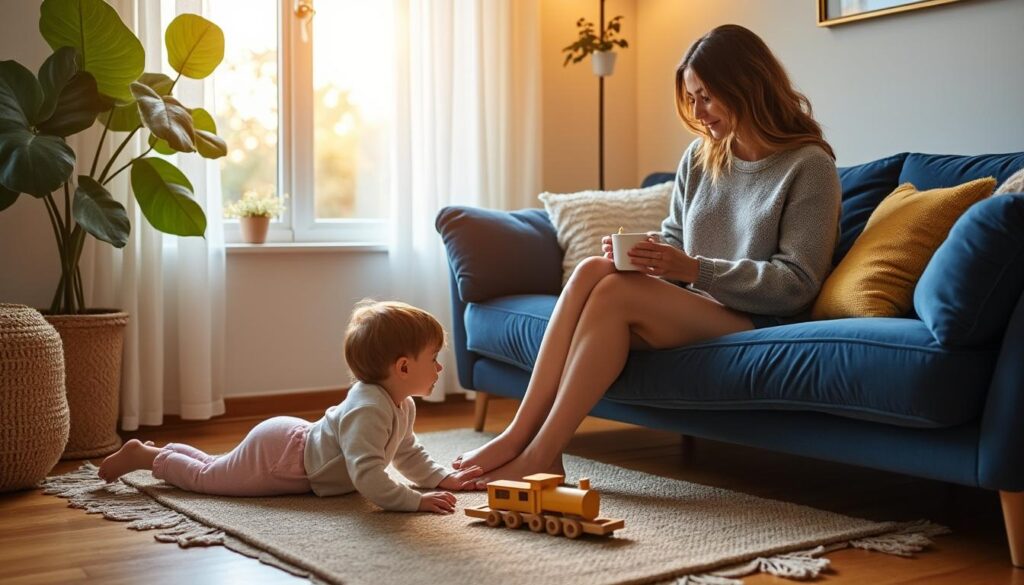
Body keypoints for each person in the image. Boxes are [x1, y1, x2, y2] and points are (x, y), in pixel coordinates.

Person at [452, 24, 842, 487]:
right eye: (692, 97)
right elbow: (675, 236)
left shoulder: (809, 165)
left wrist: (695, 269)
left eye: (708, 96)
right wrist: (646, 255)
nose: (698, 112)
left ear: (749, 86)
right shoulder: (701, 158)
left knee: (614, 293)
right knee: (596, 269)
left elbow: (796, 282)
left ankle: (541, 451)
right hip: (697, 305)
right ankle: (518, 437)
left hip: (759, 316)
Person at [99, 300, 482, 513]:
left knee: (216, 468)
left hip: (290, 442)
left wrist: (438, 477)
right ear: (402, 367)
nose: (439, 367)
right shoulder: (369, 408)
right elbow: (368, 476)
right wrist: (414, 502)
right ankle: (145, 459)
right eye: (433, 358)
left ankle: (158, 452)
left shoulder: (401, 404)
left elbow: (405, 451)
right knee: (207, 481)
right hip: (281, 459)